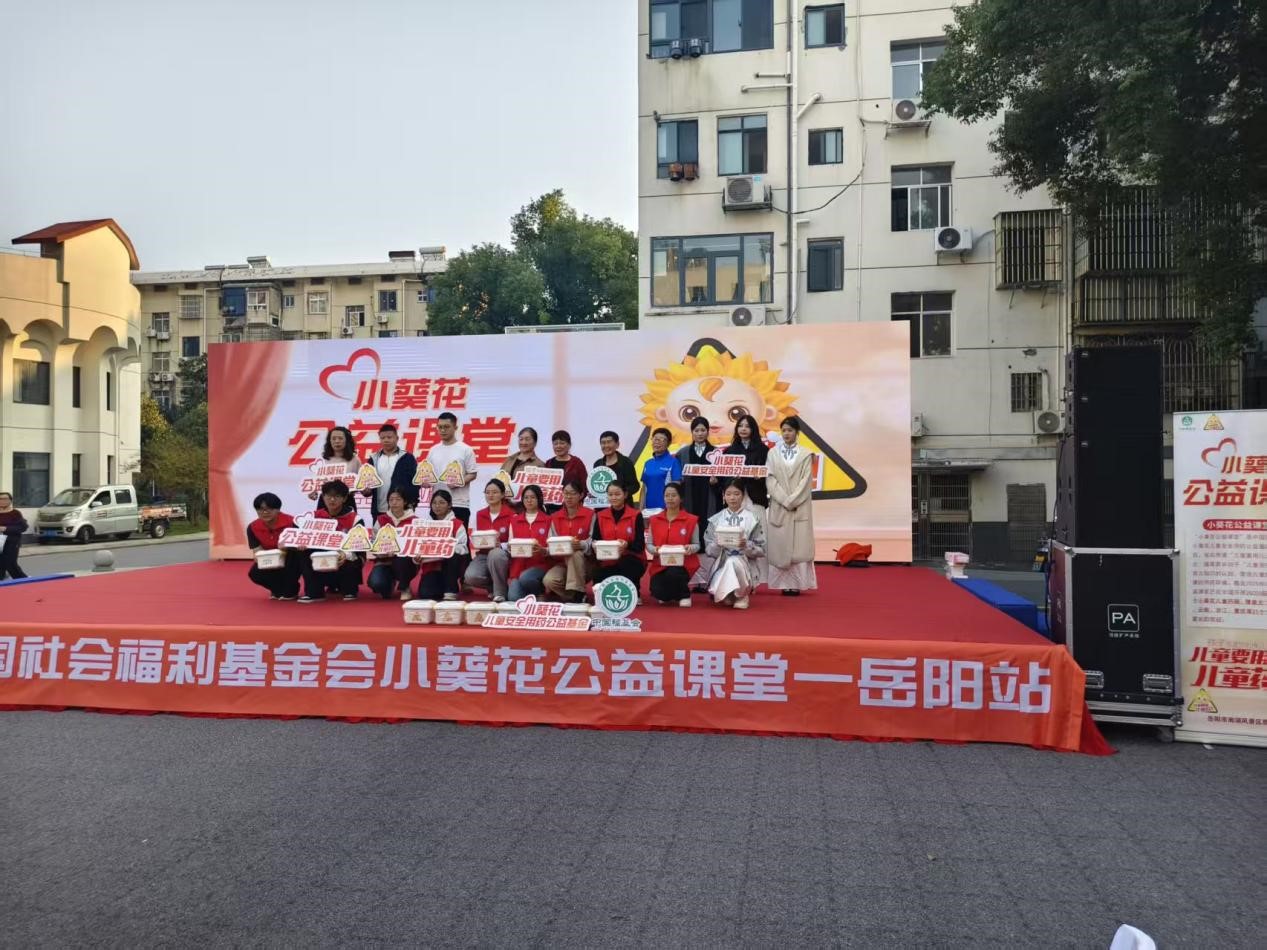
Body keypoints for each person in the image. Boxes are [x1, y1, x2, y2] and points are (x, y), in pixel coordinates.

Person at [765, 416, 817, 596]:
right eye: (784, 430)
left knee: (798, 548)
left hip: (799, 506)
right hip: (780, 506)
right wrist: (783, 500)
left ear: (797, 432)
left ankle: (797, 583)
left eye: (790, 430)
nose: (786, 433)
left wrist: (792, 501)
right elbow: (770, 479)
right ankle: (782, 583)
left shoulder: (806, 454)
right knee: (780, 546)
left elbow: (806, 481)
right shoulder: (772, 453)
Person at [675, 417, 723, 591]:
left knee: (708, 537)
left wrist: (717, 481)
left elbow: (725, 479)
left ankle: (710, 579)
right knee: (690, 536)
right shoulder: (683, 453)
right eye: (696, 430)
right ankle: (693, 579)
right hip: (689, 500)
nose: (700, 433)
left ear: (708, 432)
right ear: (692, 432)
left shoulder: (717, 453)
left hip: (710, 500)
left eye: (703, 430)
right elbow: (676, 479)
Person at [298, 480, 365, 603]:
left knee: (353, 558)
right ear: (323, 497)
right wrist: (301, 543)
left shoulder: (355, 519)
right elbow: (298, 533)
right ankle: (314, 592)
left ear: (344, 498)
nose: (332, 500)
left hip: (344, 558)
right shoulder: (313, 516)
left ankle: (350, 590)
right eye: (328, 496)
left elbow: (359, 546)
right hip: (321, 557)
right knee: (304, 553)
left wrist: (345, 554)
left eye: (337, 496)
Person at [704, 480, 766, 609]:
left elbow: (762, 549)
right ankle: (730, 592)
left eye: (736, 494)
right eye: (728, 494)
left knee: (733, 561)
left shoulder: (752, 519)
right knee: (730, 561)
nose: (732, 498)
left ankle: (741, 595)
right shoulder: (716, 519)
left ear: (743, 496)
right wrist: (717, 544)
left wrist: (746, 545)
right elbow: (709, 550)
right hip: (722, 562)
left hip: (745, 562)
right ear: (723, 496)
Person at [644, 482, 699, 606]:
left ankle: (684, 595)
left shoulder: (691, 520)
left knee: (673, 573)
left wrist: (690, 548)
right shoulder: (654, 520)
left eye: (674, 495)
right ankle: (670, 593)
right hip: (660, 564)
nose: (670, 498)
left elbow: (697, 544)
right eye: (667, 495)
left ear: (681, 498)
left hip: (683, 563)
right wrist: (655, 550)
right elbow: (649, 544)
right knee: (657, 592)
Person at [589, 481, 647, 593]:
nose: (614, 497)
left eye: (617, 494)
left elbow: (640, 545)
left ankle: (634, 592)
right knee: (598, 574)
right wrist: (595, 547)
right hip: (607, 558)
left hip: (631, 558)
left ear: (625, 495)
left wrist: (627, 545)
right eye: (610, 495)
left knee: (627, 564)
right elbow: (595, 540)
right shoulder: (600, 516)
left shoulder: (635, 515)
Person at [413, 488, 469, 601]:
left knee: (454, 554)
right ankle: (441, 587)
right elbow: (417, 547)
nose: (437, 506)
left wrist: (446, 547)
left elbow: (463, 548)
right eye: (434, 503)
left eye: (442, 503)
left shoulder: (457, 524)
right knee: (426, 594)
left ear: (449, 505)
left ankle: (451, 590)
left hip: (450, 567)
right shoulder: (426, 525)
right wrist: (416, 558)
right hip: (432, 567)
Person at [423, 412, 479, 525]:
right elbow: (428, 474)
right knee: (436, 535)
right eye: (440, 427)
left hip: (458, 503)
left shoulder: (465, 449)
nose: (443, 430)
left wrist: (459, 481)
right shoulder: (433, 450)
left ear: (455, 427)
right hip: (437, 504)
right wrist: (425, 482)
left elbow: (472, 473)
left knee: (459, 535)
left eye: (446, 427)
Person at [543, 480, 594, 602]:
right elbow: (551, 543)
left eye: (573, 493)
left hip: (586, 563)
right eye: (566, 493)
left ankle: (578, 593)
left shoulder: (590, 514)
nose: (569, 497)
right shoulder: (555, 517)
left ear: (581, 495)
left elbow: (594, 540)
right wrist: (547, 550)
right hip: (562, 563)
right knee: (549, 581)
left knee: (575, 553)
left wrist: (581, 544)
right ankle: (576, 596)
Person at [463, 479, 513, 602]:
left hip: (503, 555)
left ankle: (500, 593)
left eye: (495, 492)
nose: (490, 495)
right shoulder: (479, 514)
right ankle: (493, 587)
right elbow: (473, 536)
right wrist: (478, 541)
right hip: (483, 554)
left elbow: (514, 541)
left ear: (502, 494)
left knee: (495, 554)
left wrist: (501, 545)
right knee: (470, 577)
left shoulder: (511, 515)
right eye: (488, 492)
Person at [245, 492, 300, 599]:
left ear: (278, 509)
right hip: (271, 558)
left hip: (291, 557)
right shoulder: (252, 527)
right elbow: (257, 551)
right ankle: (278, 590)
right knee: (254, 573)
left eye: (269, 509)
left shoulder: (293, 522)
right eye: (260, 509)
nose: (265, 512)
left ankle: (290, 589)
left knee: (294, 559)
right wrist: (259, 557)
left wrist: (286, 548)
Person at [367, 488, 418, 600]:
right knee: (377, 584)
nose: (394, 503)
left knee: (402, 560)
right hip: (384, 561)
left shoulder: (415, 521)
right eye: (391, 500)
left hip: (406, 562)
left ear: (405, 501)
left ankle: (405, 587)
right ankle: (389, 584)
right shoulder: (381, 519)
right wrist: (380, 553)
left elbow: (417, 544)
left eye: (398, 499)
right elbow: (374, 542)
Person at [505, 484, 551, 601]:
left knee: (526, 578)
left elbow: (551, 548)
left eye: (532, 497)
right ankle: (529, 593)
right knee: (513, 598)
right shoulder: (514, 520)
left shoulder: (548, 520)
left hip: (540, 565)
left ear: (539, 499)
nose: (529, 500)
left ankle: (539, 592)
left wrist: (543, 550)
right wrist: (510, 548)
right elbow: (510, 543)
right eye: (526, 497)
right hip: (518, 567)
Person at [363, 423, 417, 522]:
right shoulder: (373, 459)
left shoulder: (407, 458)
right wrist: (366, 491)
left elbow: (415, 482)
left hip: (403, 510)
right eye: (383, 438)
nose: (386, 440)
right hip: (379, 509)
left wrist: (412, 503)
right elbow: (367, 485)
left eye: (389, 437)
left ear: (397, 438)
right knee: (379, 532)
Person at [729, 414, 770, 509]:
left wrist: (761, 477)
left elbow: (770, 472)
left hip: (757, 497)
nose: (743, 429)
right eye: (740, 426)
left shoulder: (763, 450)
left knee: (758, 518)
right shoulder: (730, 451)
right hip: (736, 498)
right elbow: (724, 477)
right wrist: (732, 478)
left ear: (753, 429)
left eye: (747, 426)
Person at [308, 426, 360, 500]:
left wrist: (361, 489)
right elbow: (316, 483)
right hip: (325, 500)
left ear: (347, 440)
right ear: (329, 441)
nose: (337, 441)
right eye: (333, 438)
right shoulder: (323, 459)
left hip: (346, 499)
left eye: (340, 438)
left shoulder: (354, 460)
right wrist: (313, 492)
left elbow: (360, 483)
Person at [640, 426, 683, 513]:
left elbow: (677, 488)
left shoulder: (673, 462)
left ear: (668, 443)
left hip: (666, 510)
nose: (657, 442)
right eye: (655, 439)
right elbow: (644, 488)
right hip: (648, 510)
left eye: (662, 440)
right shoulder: (648, 463)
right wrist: (641, 509)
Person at [544, 430, 587, 512]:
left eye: (562, 443)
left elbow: (584, 486)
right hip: (551, 509)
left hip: (572, 508)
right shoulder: (548, 463)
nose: (558, 446)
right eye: (555, 443)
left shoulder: (577, 463)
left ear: (569, 445)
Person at [592, 430, 640, 501]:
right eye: (603, 443)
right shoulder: (597, 464)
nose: (606, 445)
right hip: (603, 505)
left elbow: (635, 486)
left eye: (609, 442)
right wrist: (593, 493)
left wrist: (620, 494)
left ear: (617, 444)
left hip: (623, 504)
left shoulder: (626, 462)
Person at [0, 491, 29, 581]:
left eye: (5, 499)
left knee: (10, 563)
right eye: (0, 499)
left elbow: (23, 527)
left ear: (10, 500)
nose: (2, 501)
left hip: (12, 542)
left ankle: (23, 581)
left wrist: (6, 529)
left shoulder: (15, 513)